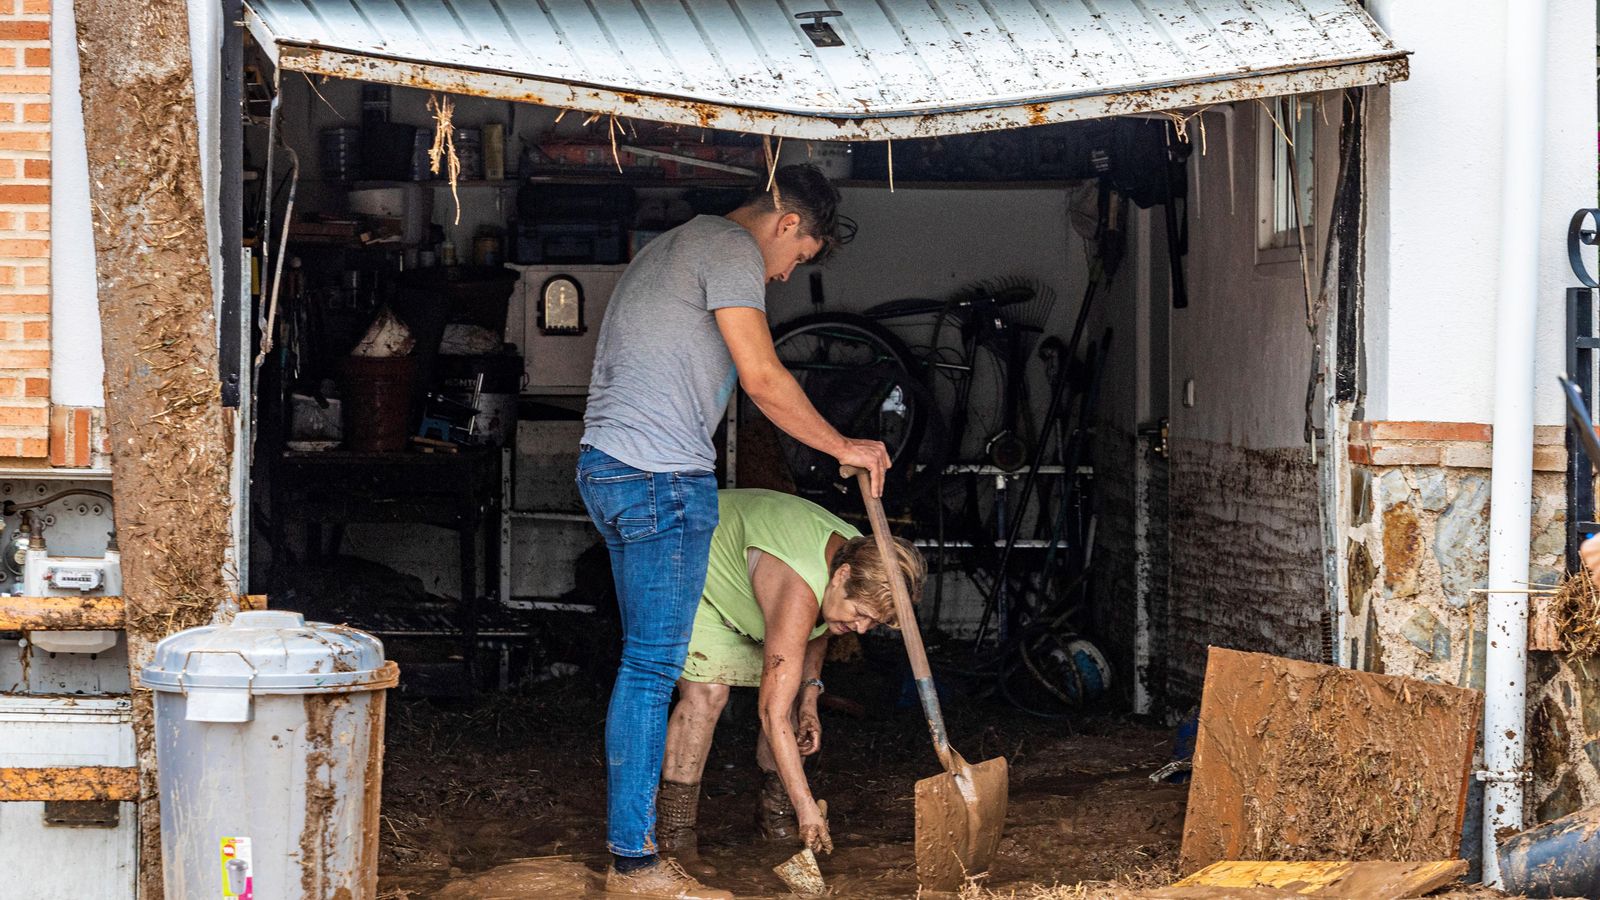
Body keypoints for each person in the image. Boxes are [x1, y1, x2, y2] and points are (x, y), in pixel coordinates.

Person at [576, 164, 892, 900]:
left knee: (647, 667)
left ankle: (642, 850)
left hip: (611, 467)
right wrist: (845, 446)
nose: (783, 277)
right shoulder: (730, 250)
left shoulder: (677, 243)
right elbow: (763, 377)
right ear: (787, 224)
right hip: (659, 475)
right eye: (798, 258)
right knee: (653, 670)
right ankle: (635, 862)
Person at [655, 489, 925, 878]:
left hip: (756, 588)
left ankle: (775, 820)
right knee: (708, 694)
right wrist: (808, 806)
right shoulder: (800, 581)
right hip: (696, 563)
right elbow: (771, 710)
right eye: (862, 615)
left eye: (875, 623)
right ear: (841, 576)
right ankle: (675, 838)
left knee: (793, 701)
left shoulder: (855, 556)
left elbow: (818, 631)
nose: (862, 630)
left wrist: (811, 696)